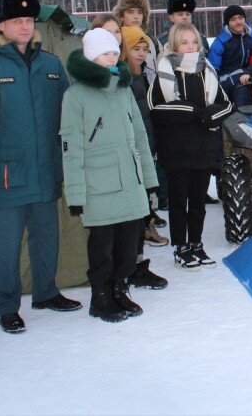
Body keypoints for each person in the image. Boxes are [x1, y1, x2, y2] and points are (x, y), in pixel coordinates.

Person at [0, 0, 81, 335]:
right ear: (1, 25)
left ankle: (45, 293)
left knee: (46, 237)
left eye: (29, 21)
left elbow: (66, 119)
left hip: (45, 170)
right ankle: (7, 307)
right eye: (17, 21)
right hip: (5, 174)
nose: (25, 27)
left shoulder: (51, 65)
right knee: (6, 245)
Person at [60, 28, 158, 322]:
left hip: (130, 184)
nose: (112, 57)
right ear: (91, 56)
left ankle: (119, 290)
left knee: (129, 247)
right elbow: (71, 147)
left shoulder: (123, 90)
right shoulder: (75, 96)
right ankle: (100, 297)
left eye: (115, 52)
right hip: (99, 187)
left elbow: (140, 137)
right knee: (103, 249)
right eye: (106, 53)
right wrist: (76, 195)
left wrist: (150, 181)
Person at [149, 23, 233, 270]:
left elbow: (226, 104)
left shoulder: (207, 70)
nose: (190, 46)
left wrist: (210, 116)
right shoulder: (165, 70)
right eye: (184, 42)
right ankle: (180, 246)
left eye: (193, 41)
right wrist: (196, 112)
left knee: (197, 200)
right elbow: (157, 108)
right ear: (174, 45)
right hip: (176, 148)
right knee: (179, 200)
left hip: (203, 146)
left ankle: (196, 242)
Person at [121, 26, 171, 289]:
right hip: (130, 150)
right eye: (135, 49)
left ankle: (138, 263)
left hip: (145, 142)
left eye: (144, 50)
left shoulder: (142, 75)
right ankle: (129, 266)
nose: (140, 54)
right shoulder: (123, 78)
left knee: (143, 203)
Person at [113, 0, 171, 215]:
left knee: (152, 153)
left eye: (140, 12)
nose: (135, 16)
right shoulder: (116, 39)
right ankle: (143, 211)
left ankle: (155, 202)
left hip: (150, 100)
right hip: (130, 101)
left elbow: (157, 70)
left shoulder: (153, 41)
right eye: (130, 11)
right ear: (122, 14)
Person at [208, 4, 252, 109]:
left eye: (240, 18)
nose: (238, 22)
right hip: (229, 80)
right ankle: (240, 121)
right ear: (227, 23)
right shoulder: (221, 42)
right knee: (243, 94)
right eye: (233, 19)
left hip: (251, 76)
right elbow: (212, 69)